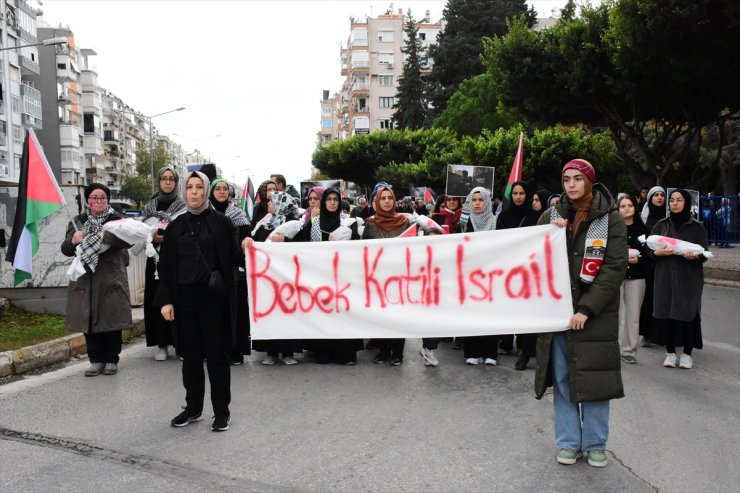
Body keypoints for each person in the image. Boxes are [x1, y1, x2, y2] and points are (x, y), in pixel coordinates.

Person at [535, 159, 627, 468]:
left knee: (596, 380)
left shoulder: (610, 219)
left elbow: (614, 268)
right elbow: (534, 257)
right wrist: (553, 234)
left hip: (596, 315)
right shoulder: (551, 215)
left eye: (577, 178)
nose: (571, 184)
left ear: (589, 181)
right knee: (562, 379)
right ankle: (568, 442)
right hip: (559, 313)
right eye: (566, 179)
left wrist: (587, 309)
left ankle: (596, 444)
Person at [156, 171, 242, 431]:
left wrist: (249, 243)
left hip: (213, 300)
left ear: (206, 191)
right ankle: (193, 408)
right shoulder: (176, 226)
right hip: (184, 301)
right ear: (185, 192)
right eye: (190, 187)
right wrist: (166, 301)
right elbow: (167, 266)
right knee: (190, 357)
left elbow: (234, 257)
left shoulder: (221, 223)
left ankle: (221, 412)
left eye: (199, 187)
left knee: (216, 357)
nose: (194, 192)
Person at [61, 184, 133, 377]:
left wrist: (106, 235)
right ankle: (96, 360)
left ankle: (111, 359)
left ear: (107, 200)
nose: (99, 201)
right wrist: (73, 240)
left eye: (103, 197)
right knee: (89, 319)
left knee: (111, 317)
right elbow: (66, 249)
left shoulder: (116, 219)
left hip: (110, 276)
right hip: (86, 278)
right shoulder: (78, 221)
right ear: (87, 201)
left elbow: (128, 240)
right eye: (94, 197)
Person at [294, 187, 363, 364]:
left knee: (343, 315)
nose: (332, 202)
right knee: (323, 314)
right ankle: (323, 351)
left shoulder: (349, 222)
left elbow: (356, 247)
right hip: (321, 278)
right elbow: (301, 246)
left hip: (343, 278)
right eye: (328, 199)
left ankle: (345, 353)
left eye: (335, 199)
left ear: (340, 202)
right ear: (324, 202)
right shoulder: (314, 223)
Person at [649, 189, 708, 370]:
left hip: (688, 278)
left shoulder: (696, 226)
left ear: (687, 203)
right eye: (672, 200)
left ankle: (687, 354)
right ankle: (670, 352)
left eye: (679, 200)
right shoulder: (661, 225)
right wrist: (656, 253)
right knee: (666, 313)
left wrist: (695, 257)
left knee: (687, 315)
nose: (674, 203)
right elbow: (649, 251)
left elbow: (704, 253)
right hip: (665, 276)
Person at [247, 191, 305, 365]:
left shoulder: (294, 225)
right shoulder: (265, 224)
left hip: (288, 279)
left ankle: (288, 352)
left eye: (272, 201)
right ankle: (271, 352)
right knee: (270, 313)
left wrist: (285, 243)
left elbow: (303, 248)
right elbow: (255, 243)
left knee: (288, 313)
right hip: (267, 279)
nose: (269, 204)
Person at [362, 183, 411, 366]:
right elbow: (362, 251)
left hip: (399, 279)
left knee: (399, 317)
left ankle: (397, 353)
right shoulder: (371, 224)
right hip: (378, 279)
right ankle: (383, 351)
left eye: (390, 198)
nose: (387, 201)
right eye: (383, 198)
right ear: (377, 201)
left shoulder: (404, 222)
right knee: (381, 316)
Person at [141, 166, 186, 362]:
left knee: (178, 300)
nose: (167, 182)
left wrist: (169, 238)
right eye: (164, 179)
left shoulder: (183, 205)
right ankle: (161, 344)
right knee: (156, 299)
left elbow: (186, 230)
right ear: (159, 181)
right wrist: (153, 238)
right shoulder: (150, 206)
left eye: (171, 179)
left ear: (176, 182)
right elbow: (141, 233)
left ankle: (180, 343)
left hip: (178, 262)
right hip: (155, 262)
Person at [495, 181, 541, 368]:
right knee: (509, 307)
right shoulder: (504, 216)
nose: (518, 196)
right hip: (509, 270)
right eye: (515, 193)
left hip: (529, 271)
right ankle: (506, 342)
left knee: (528, 311)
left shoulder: (536, 217)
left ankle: (525, 348)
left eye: (522, 193)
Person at [455, 187, 501, 367]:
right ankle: (472, 352)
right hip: (470, 277)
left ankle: (490, 353)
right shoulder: (464, 223)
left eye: (481, 200)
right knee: (472, 314)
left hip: (491, 276)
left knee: (490, 314)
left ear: (488, 201)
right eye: (474, 200)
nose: (477, 203)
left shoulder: (496, 222)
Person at [209, 178, 251, 366]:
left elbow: (247, 237)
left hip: (234, 272)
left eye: (225, 189)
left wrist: (246, 241)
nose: (221, 192)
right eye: (217, 189)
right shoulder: (205, 214)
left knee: (236, 313)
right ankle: (214, 351)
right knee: (213, 315)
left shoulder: (238, 215)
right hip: (211, 272)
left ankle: (236, 352)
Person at [616, 196, 650, 364]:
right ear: (618, 209)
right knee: (614, 313)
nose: (627, 208)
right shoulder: (613, 229)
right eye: (623, 206)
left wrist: (640, 260)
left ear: (635, 208)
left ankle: (629, 350)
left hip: (636, 276)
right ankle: (612, 348)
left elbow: (650, 254)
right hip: (615, 276)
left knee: (633, 315)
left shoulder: (643, 230)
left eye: (630, 205)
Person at [639, 186, 666, 347]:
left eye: (662, 195)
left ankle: (664, 335)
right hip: (649, 265)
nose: (659, 197)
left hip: (666, 265)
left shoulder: (669, 218)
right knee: (648, 300)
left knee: (664, 299)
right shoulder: (644, 219)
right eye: (656, 195)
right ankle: (647, 334)